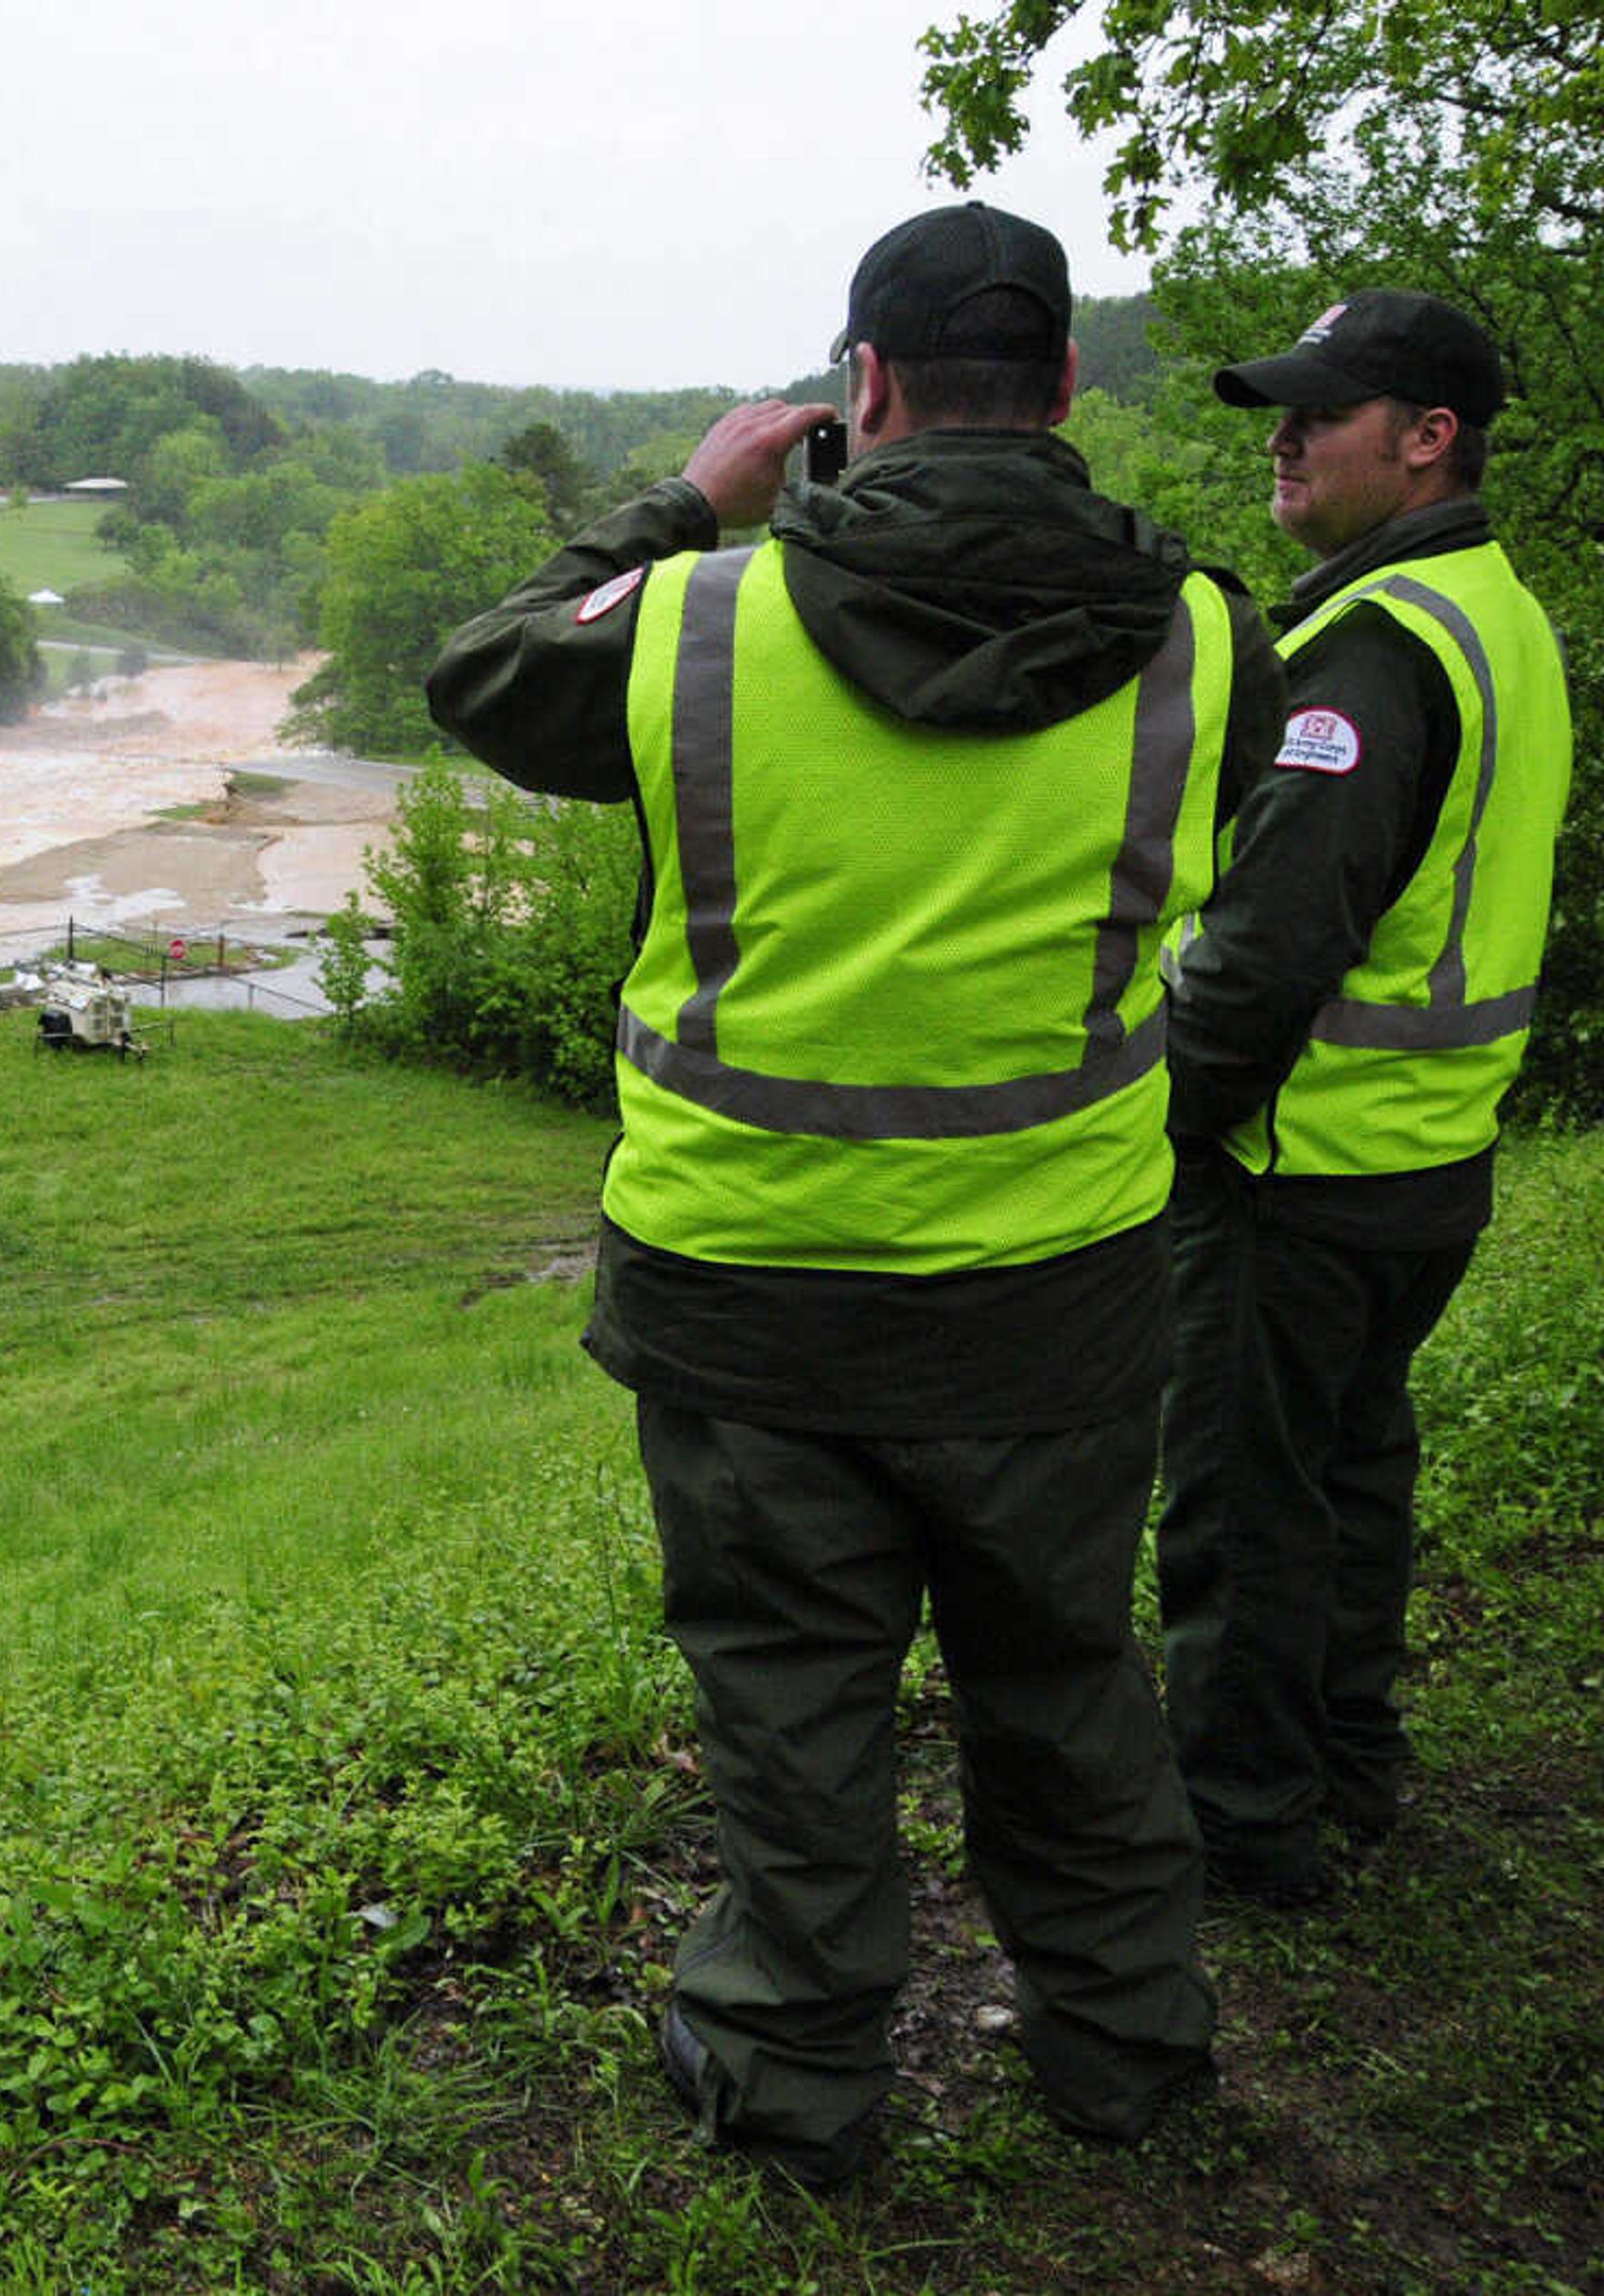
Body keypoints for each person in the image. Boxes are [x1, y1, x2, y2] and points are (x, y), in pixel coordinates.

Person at [424, 201, 1284, 2185]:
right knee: (1067, 1682)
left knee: (793, 1712)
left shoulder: (695, 618)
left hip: (744, 1297)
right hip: (1056, 1297)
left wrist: (681, 502)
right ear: (1067, 387)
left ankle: (799, 2086)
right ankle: (1127, 2055)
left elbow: (481, 679)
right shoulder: (1215, 634)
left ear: (862, 391)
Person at [1156, 291, 1573, 1904]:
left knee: (1249, 1513)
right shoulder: (1498, 612)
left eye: (1321, 410)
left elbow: (1264, 954)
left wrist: (1165, 1130)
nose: (1284, 434)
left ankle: (1248, 1831)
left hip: (1302, 1168)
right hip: (1430, 1161)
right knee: (1353, 1470)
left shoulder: (1368, 654)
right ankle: (1348, 1755)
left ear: (1425, 438)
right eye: (1281, 405)